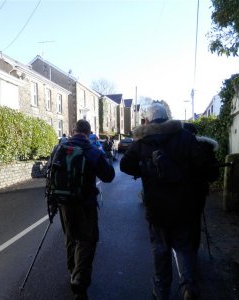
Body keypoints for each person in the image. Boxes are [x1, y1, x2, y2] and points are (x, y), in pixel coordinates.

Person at [120, 103, 207, 300]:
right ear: (167, 117)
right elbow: (201, 165)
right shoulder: (184, 136)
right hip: (182, 205)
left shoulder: (143, 140)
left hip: (156, 206)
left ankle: (161, 293)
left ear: (148, 120)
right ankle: (188, 288)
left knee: (160, 250)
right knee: (184, 248)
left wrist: (143, 171)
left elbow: (125, 165)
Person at [48, 120, 115, 300]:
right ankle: (79, 279)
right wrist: (103, 155)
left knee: (70, 237)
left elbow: (51, 175)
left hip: (64, 203)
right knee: (87, 240)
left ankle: (72, 270)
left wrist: (53, 202)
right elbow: (109, 176)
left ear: (73, 131)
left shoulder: (58, 149)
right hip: (85, 204)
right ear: (88, 133)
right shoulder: (92, 151)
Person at [183, 122, 220, 252]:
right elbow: (214, 174)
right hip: (199, 190)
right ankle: (194, 247)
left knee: (181, 219)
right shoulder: (206, 147)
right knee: (195, 220)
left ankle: (185, 247)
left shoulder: (177, 146)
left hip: (180, 190)